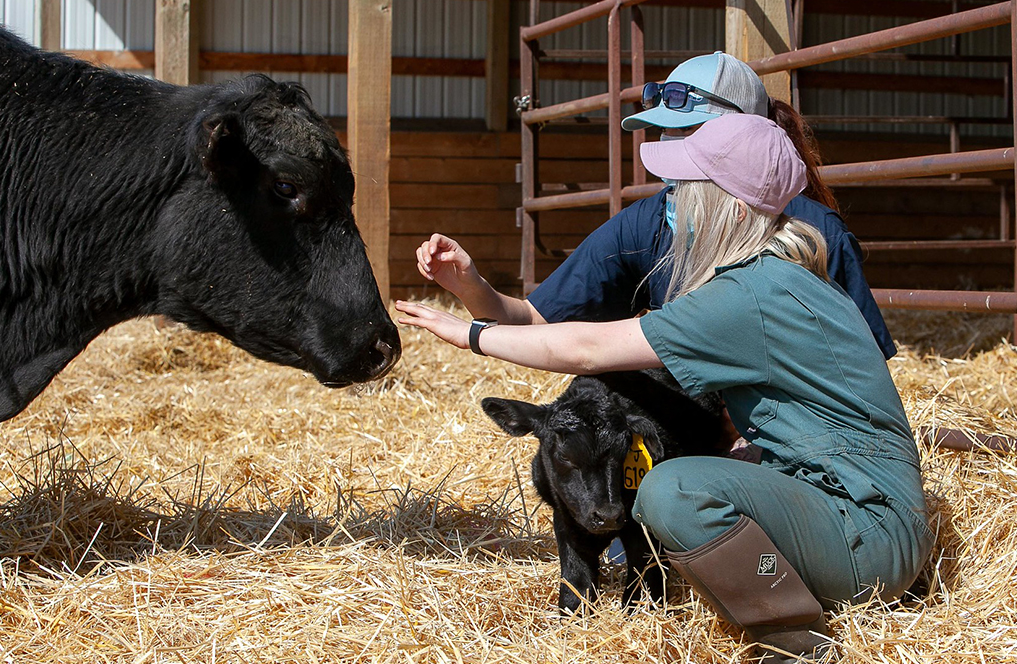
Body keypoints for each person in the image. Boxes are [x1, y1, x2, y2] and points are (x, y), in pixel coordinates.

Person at [397, 114, 933, 663]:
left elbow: (588, 350)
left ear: (728, 206)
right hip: (868, 512)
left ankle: (791, 635)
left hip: (866, 539)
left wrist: (471, 334)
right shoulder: (787, 271)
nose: (669, 202)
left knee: (669, 490)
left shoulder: (746, 296)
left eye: (683, 190)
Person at [415, 51, 896, 361]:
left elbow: (862, 367)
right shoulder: (650, 221)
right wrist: (470, 284)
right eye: (667, 132)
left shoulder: (812, 235)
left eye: (689, 134)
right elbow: (540, 322)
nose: (673, 149)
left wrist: (471, 335)